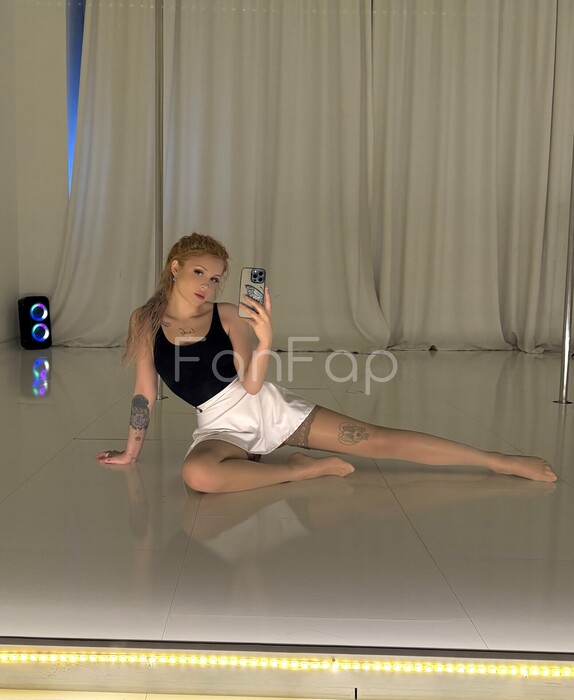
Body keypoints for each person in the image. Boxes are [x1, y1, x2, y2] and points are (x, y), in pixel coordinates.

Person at [96, 233, 558, 492]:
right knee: (196, 475)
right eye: (199, 272)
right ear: (175, 267)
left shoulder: (230, 316)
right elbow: (145, 393)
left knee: (374, 439)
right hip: (218, 427)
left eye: (216, 278)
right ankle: (301, 469)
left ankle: (495, 460)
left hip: (265, 409)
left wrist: (265, 339)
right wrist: (131, 453)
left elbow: (252, 386)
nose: (207, 285)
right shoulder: (145, 320)